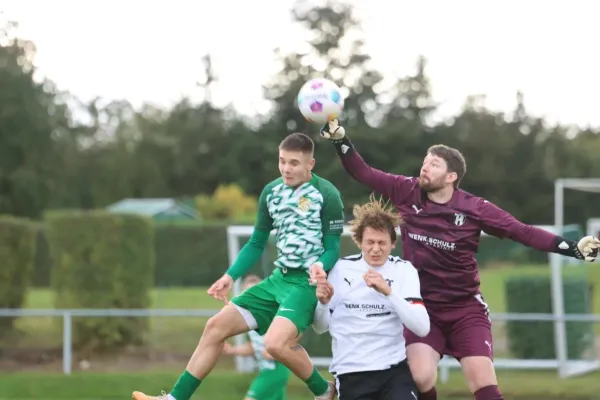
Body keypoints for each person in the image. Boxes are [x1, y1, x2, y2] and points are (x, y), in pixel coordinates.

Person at [319, 119, 600, 400]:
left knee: (482, 382)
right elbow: (364, 173)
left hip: (465, 309)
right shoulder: (407, 191)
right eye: (425, 162)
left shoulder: (474, 208)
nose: (425, 167)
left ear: (451, 176)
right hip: (423, 308)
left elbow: (521, 232)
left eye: (434, 164)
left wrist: (573, 248)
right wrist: (341, 141)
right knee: (420, 376)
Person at [132, 132, 344, 400]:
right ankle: (174, 399)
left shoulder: (327, 194)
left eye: (294, 163)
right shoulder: (271, 193)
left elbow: (333, 247)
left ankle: (324, 390)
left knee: (275, 344)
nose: (286, 169)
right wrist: (230, 276)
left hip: (306, 284)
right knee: (215, 327)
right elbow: (256, 242)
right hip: (278, 279)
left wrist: (320, 266)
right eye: (282, 161)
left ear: (310, 164)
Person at [311, 195, 430, 400]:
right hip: (351, 373)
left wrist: (389, 293)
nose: (376, 249)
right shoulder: (341, 269)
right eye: (370, 242)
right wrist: (322, 304)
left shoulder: (403, 270)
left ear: (393, 244)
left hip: (393, 372)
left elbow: (422, 327)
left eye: (382, 242)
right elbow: (320, 327)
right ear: (359, 242)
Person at [221, 275, 292, 400]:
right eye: (248, 292)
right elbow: (254, 347)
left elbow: (295, 333)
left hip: (276, 368)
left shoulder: (271, 314)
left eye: (255, 291)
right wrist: (232, 350)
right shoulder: (250, 319)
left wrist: (276, 350)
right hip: (266, 369)